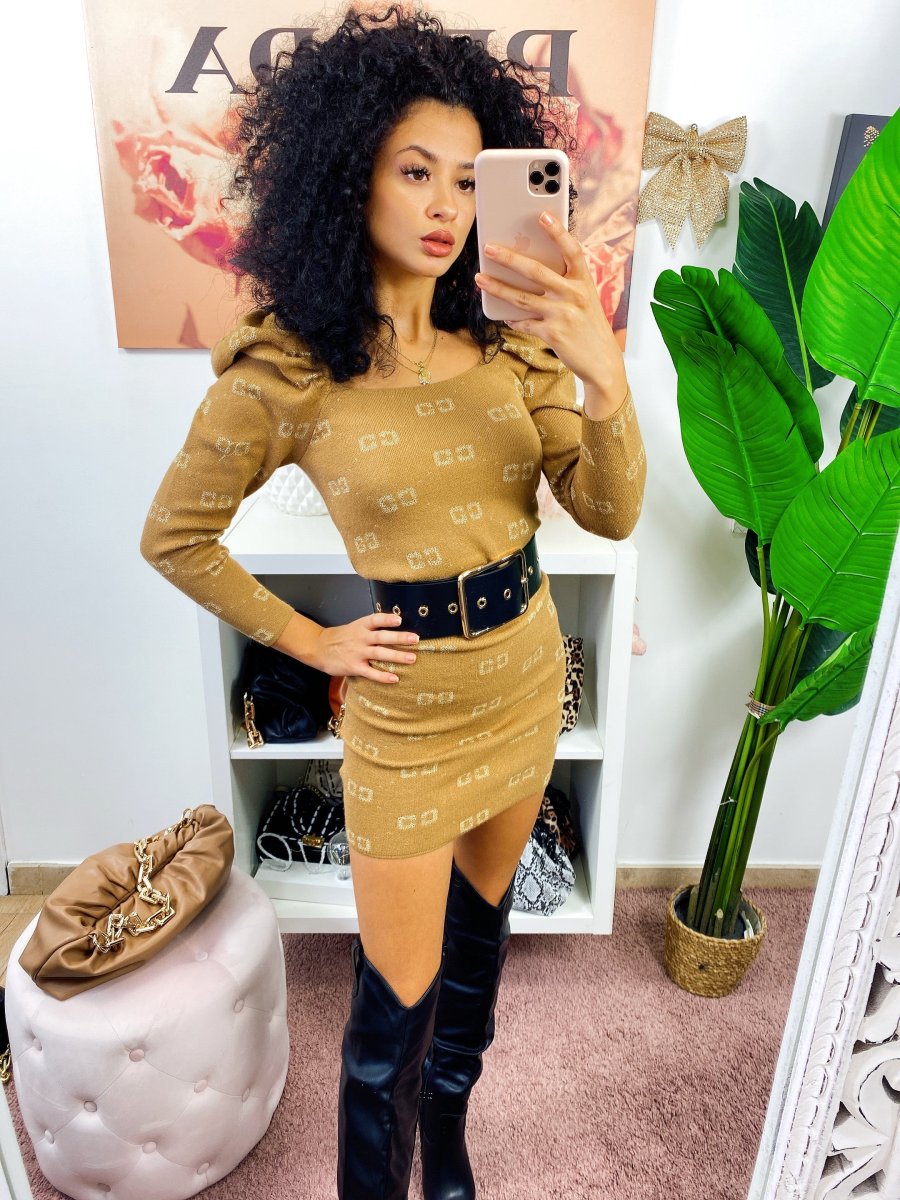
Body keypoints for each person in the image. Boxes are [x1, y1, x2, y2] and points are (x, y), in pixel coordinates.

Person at [139, 5, 647, 1197]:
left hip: (523, 679)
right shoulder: (288, 369)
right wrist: (310, 639)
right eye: (415, 171)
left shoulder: (517, 346)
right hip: (410, 720)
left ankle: (450, 1144)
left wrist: (606, 379)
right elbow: (176, 537)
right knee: (390, 1015)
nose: (447, 206)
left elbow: (610, 511)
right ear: (346, 174)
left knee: (477, 958)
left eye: (468, 179)